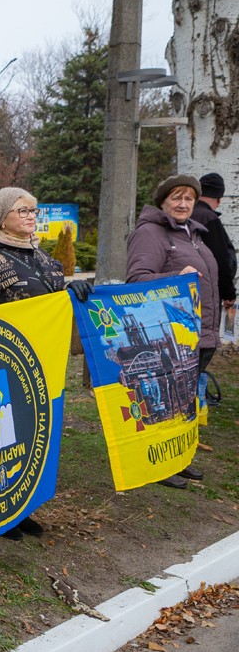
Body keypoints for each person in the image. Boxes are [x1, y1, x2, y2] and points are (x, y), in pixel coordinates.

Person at [0, 187, 92, 534]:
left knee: (30, 437)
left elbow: (50, 306)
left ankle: (21, 506)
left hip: (42, 366)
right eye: (22, 210)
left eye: (34, 210)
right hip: (1, 368)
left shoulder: (46, 260)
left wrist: (71, 292)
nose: (31, 216)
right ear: (1, 217)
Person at [127, 174, 219, 488]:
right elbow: (136, 281)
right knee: (165, 403)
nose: (182, 204)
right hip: (170, 339)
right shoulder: (151, 233)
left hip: (198, 335)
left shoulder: (191, 233)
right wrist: (175, 275)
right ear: (163, 201)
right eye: (176, 198)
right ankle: (159, 466)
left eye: (189, 199)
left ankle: (180, 459)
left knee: (186, 403)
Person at [193, 173, 236, 309]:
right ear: (218, 200)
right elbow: (220, 258)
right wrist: (228, 293)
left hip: (182, 288)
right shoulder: (209, 218)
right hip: (207, 290)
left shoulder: (183, 213)